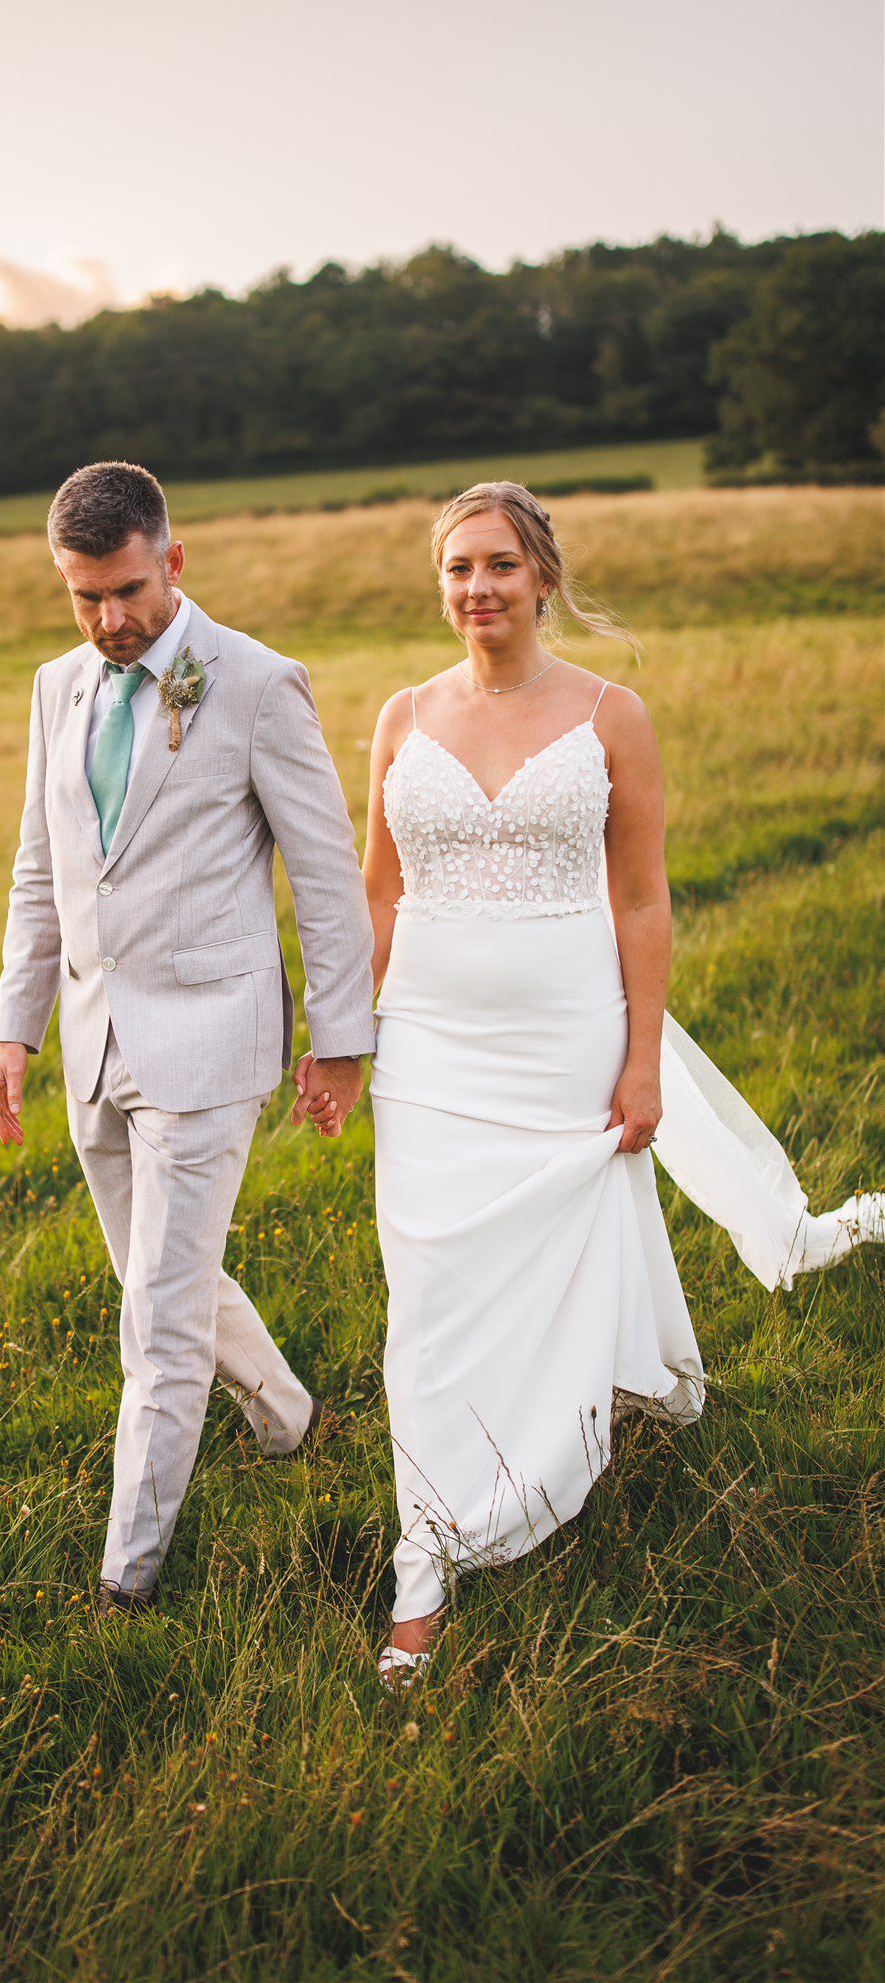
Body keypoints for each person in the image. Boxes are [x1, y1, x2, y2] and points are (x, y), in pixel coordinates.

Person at [318, 479, 884, 1687]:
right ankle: (431, 1543)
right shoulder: (401, 715)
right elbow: (378, 891)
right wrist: (348, 1035)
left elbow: (639, 896)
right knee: (426, 1285)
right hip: (425, 1044)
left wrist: (638, 1057)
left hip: (567, 1035)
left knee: (570, 1237)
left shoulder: (609, 713)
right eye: (458, 568)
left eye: (500, 566)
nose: (478, 588)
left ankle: (579, 1413)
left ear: (544, 578)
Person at [0, 461, 373, 1613]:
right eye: (83, 596)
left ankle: (126, 1577)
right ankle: (292, 1417)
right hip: (96, 1046)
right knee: (168, 1280)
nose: (109, 620)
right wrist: (18, 1028)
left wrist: (340, 1037)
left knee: (154, 1315)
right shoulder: (57, 686)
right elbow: (39, 868)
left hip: (210, 1038)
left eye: (128, 590)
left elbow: (325, 872)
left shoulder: (254, 683)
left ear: (175, 559)